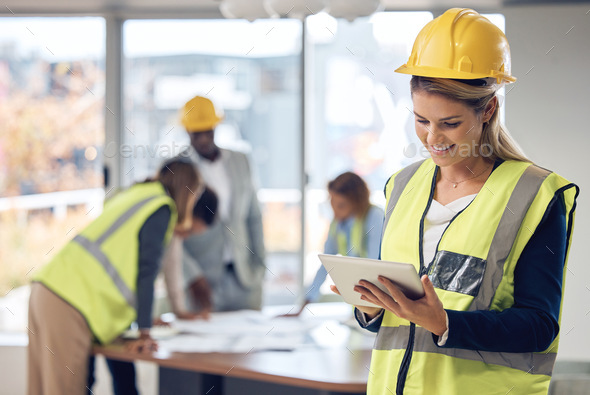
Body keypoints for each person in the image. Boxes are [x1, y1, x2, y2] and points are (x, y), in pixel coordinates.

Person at [345, 8, 579, 395]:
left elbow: (539, 326)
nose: (432, 138)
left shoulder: (535, 196)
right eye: (421, 120)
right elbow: (393, 323)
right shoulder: (401, 186)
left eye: (449, 123)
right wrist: (369, 307)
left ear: (487, 109)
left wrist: (445, 323)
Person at [28, 159, 202, 395]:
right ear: (187, 190)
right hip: (69, 303)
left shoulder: (135, 193)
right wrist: (145, 331)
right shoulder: (161, 207)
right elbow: (146, 271)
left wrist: (148, 319)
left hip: (48, 289)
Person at [165, 95, 266, 316]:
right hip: (201, 282)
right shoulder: (175, 170)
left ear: (216, 127)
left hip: (244, 277)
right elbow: (171, 232)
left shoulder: (241, 161)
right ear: (187, 132)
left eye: (207, 131)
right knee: (202, 347)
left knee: (251, 346)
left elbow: (253, 216)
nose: (202, 139)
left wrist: (260, 264)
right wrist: (190, 276)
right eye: (196, 133)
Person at [290, 171, 384, 316]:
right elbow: (325, 265)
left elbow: (372, 265)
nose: (335, 211)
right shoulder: (338, 224)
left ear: (357, 202)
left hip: (377, 301)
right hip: (359, 301)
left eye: (341, 205)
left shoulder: (374, 217)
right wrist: (302, 307)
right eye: (332, 203)